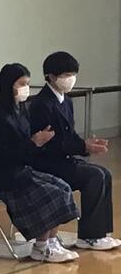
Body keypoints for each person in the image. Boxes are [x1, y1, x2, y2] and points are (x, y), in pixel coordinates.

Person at [0, 63, 80, 263]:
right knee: (51, 194)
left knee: (62, 187)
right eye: (21, 84)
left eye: (27, 84)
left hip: (19, 170)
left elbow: (24, 149)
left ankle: (51, 242)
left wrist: (38, 142)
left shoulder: (20, 112)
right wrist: (33, 143)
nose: (25, 88)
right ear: (9, 86)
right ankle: (41, 246)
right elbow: (2, 156)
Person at [28, 51, 120, 251]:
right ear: (51, 76)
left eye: (73, 74)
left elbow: (70, 136)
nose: (71, 79)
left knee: (104, 173)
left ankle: (99, 233)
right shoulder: (41, 104)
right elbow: (51, 143)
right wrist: (82, 147)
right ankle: (90, 236)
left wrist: (86, 145)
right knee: (94, 176)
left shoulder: (66, 101)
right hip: (47, 164)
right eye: (66, 75)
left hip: (64, 159)